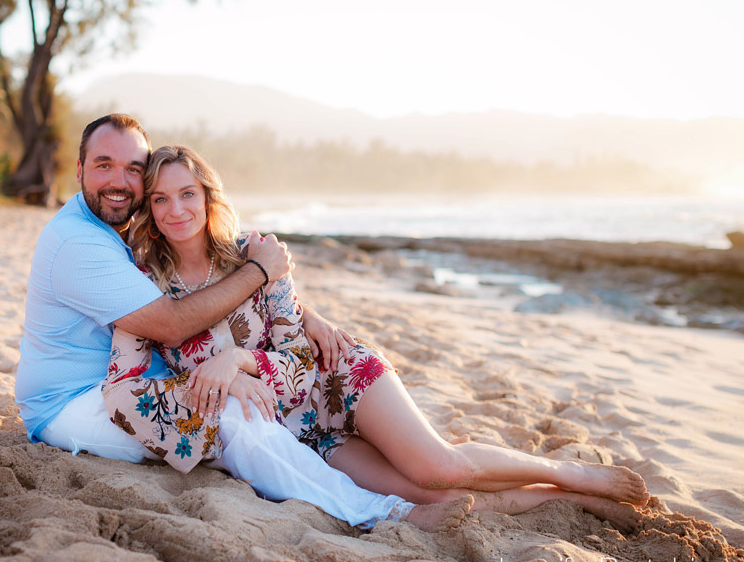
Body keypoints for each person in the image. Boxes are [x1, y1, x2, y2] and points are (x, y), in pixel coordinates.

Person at [104, 144, 650, 532]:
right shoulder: (144, 285)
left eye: (188, 193)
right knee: (431, 495)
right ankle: (564, 498)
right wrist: (214, 383)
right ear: (149, 209)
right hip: (302, 434)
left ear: (208, 197)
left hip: (338, 379)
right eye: (161, 199)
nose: (176, 210)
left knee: (438, 467)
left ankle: (569, 472)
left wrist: (239, 361)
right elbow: (124, 386)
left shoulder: (257, 253)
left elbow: (299, 359)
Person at [15, 113, 473, 532]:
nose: (119, 181)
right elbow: (172, 325)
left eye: (132, 168)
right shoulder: (79, 243)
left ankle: (440, 495)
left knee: (246, 410)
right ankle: (381, 512)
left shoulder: (115, 230)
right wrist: (258, 274)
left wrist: (303, 313)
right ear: (79, 170)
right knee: (235, 417)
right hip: (74, 401)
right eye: (104, 165)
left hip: (141, 379)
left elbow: (212, 297)